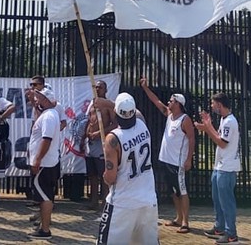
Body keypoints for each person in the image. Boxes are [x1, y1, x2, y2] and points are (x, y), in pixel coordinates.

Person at [96, 93, 158, 245]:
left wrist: (105, 174)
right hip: (148, 200)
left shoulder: (113, 139)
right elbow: (134, 112)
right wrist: (107, 102)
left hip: (122, 203)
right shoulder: (142, 123)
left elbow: (110, 178)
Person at [139, 77, 194, 233]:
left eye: (171, 101)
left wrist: (188, 159)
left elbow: (191, 139)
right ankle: (178, 218)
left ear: (178, 104)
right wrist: (145, 88)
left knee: (182, 190)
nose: (169, 102)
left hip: (178, 161)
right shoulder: (170, 115)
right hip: (166, 159)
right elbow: (156, 101)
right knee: (173, 191)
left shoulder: (185, 119)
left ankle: (185, 222)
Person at [195, 93, 240, 244]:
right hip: (220, 166)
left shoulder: (229, 122)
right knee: (217, 199)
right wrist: (206, 128)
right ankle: (219, 227)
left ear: (220, 104)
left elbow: (222, 143)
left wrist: (208, 127)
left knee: (226, 201)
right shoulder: (224, 120)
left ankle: (231, 233)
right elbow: (218, 137)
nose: (212, 106)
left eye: (213, 103)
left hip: (227, 168)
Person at [27, 86, 62, 240]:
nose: (37, 100)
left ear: (46, 100)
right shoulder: (49, 114)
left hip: (44, 164)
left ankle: (45, 230)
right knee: (44, 195)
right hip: (47, 162)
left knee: (45, 197)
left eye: (40, 98)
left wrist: (37, 159)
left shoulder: (49, 116)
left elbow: (46, 139)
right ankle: (43, 225)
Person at [83, 79, 117, 209]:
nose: (97, 90)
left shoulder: (108, 106)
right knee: (92, 174)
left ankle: (105, 201)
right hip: (90, 143)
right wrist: (84, 137)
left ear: (105, 90)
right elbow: (89, 121)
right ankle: (93, 201)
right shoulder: (92, 104)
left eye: (100, 87)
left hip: (101, 143)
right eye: (96, 87)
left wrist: (99, 133)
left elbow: (114, 124)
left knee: (103, 174)